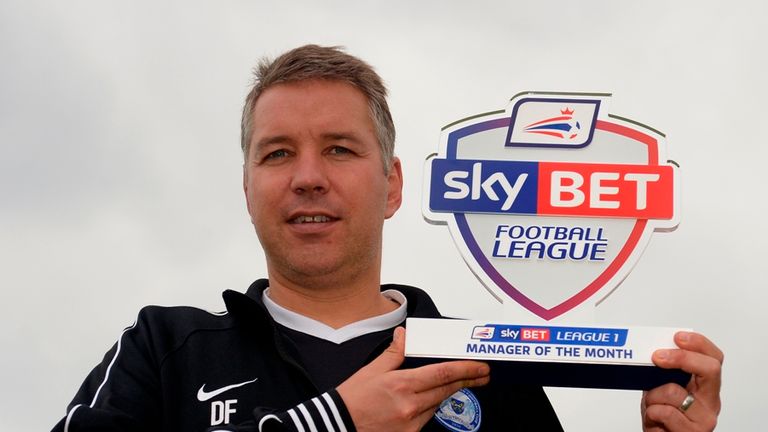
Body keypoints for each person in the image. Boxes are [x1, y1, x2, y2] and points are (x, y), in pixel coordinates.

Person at [53, 45, 723, 432]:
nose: (308, 178)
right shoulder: (165, 352)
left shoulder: (493, 373)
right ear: (247, 186)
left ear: (393, 185)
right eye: (278, 153)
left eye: (340, 150)